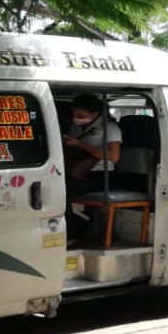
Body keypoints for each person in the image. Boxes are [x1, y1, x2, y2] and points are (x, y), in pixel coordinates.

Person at [62, 94, 122, 245]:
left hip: (101, 176)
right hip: (77, 171)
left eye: (80, 115)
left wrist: (81, 145)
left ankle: (72, 235)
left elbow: (114, 156)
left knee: (63, 192)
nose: (76, 118)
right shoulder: (75, 128)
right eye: (74, 115)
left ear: (95, 114)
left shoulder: (110, 128)